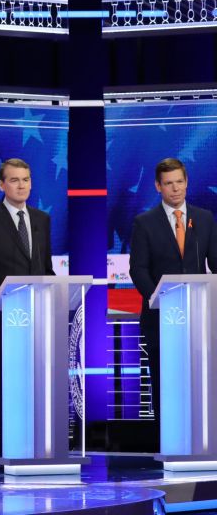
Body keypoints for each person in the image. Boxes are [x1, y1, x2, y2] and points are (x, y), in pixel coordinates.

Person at [0, 158, 55, 457]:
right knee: (5, 384)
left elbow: (45, 268)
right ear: (2, 184)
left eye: (26, 179)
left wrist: (56, 291)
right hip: (0, 318)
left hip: (37, 318)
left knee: (37, 383)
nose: (22, 185)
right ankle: (6, 446)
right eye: (15, 180)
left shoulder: (42, 220)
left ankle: (39, 443)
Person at [129, 157, 217, 447]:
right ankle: (169, 443)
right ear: (158, 186)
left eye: (179, 181)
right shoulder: (145, 223)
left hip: (198, 318)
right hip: (161, 319)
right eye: (169, 183)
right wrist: (158, 297)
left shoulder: (203, 218)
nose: (175, 188)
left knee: (199, 382)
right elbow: (137, 268)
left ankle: (202, 441)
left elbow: (214, 263)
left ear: (187, 182)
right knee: (165, 383)